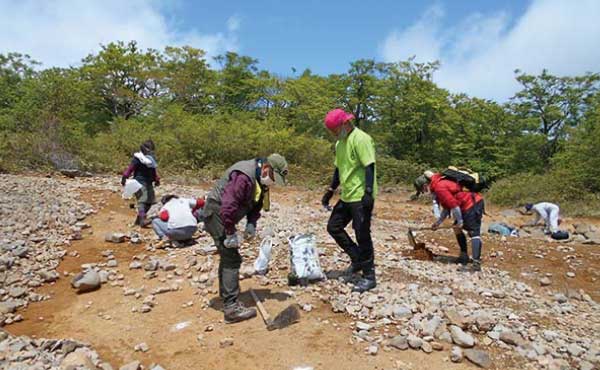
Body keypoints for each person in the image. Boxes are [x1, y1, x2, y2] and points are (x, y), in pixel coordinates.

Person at [203, 154, 288, 323]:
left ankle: (227, 296)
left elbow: (256, 204)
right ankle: (231, 308)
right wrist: (229, 232)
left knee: (228, 257)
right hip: (217, 214)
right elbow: (228, 205)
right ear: (266, 168)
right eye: (273, 177)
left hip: (224, 215)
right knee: (232, 258)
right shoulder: (244, 176)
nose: (272, 182)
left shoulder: (260, 180)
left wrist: (251, 224)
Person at [321, 108, 378, 293]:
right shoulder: (340, 144)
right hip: (347, 195)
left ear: (345, 123)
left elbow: (370, 166)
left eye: (335, 130)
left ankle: (369, 276)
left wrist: (368, 193)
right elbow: (339, 169)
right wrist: (330, 190)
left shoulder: (361, 139)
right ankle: (357, 259)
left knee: (362, 233)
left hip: (361, 195)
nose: (335, 134)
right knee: (334, 226)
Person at [427, 172, 485, 272]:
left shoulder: (439, 187)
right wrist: (438, 222)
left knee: (474, 233)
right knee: (456, 228)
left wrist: (460, 220)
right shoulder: (440, 184)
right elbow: (447, 207)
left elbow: (454, 206)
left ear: (426, 184)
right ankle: (464, 255)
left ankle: (476, 264)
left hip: (472, 203)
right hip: (466, 204)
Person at [121, 140, 160, 227]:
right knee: (142, 200)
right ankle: (142, 220)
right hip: (139, 182)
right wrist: (124, 177)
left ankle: (139, 220)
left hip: (148, 182)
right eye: (149, 149)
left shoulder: (150, 160)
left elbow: (153, 171)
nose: (151, 151)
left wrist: (156, 179)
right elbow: (130, 169)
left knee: (150, 201)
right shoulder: (137, 158)